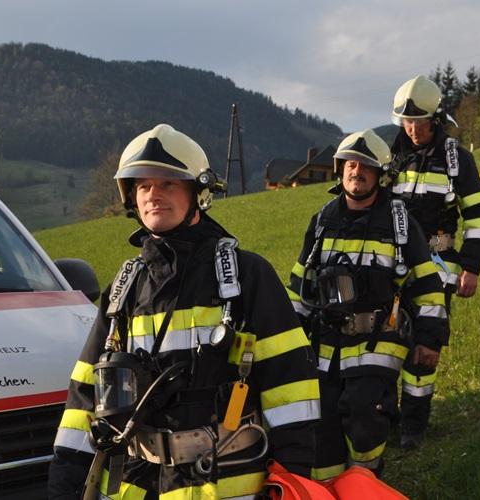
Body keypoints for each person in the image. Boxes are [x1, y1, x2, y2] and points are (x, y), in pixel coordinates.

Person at [48, 124, 320, 499]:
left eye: (168, 183)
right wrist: (65, 480)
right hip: (137, 484)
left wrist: (293, 479)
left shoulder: (246, 276)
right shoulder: (124, 290)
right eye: (143, 185)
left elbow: (291, 386)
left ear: (199, 192)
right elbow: (84, 397)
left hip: (226, 484)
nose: (153, 194)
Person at [287, 129, 448, 478]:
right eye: (350, 164)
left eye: (364, 166)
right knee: (322, 426)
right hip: (326, 345)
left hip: (378, 341)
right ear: (340, 169)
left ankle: (366, 479)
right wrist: (287, 340)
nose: (356, 171)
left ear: (380, 174)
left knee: (364, 418)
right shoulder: (322, 220)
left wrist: (429, 340)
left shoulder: (399, 223)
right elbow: (300, 286)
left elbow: (428, 285)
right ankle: (330, 488)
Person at [388, 75, 480, 448]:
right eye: (407, 122)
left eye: (419, 122)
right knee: (386, 342)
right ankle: (385, 419)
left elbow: (477, 219)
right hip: (392, 266)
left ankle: (414, 426)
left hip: (438, 264)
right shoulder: (391, 157)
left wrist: (471, 268)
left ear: (435, 118)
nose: (413, 129)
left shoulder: (456, 159)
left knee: (424, 348)